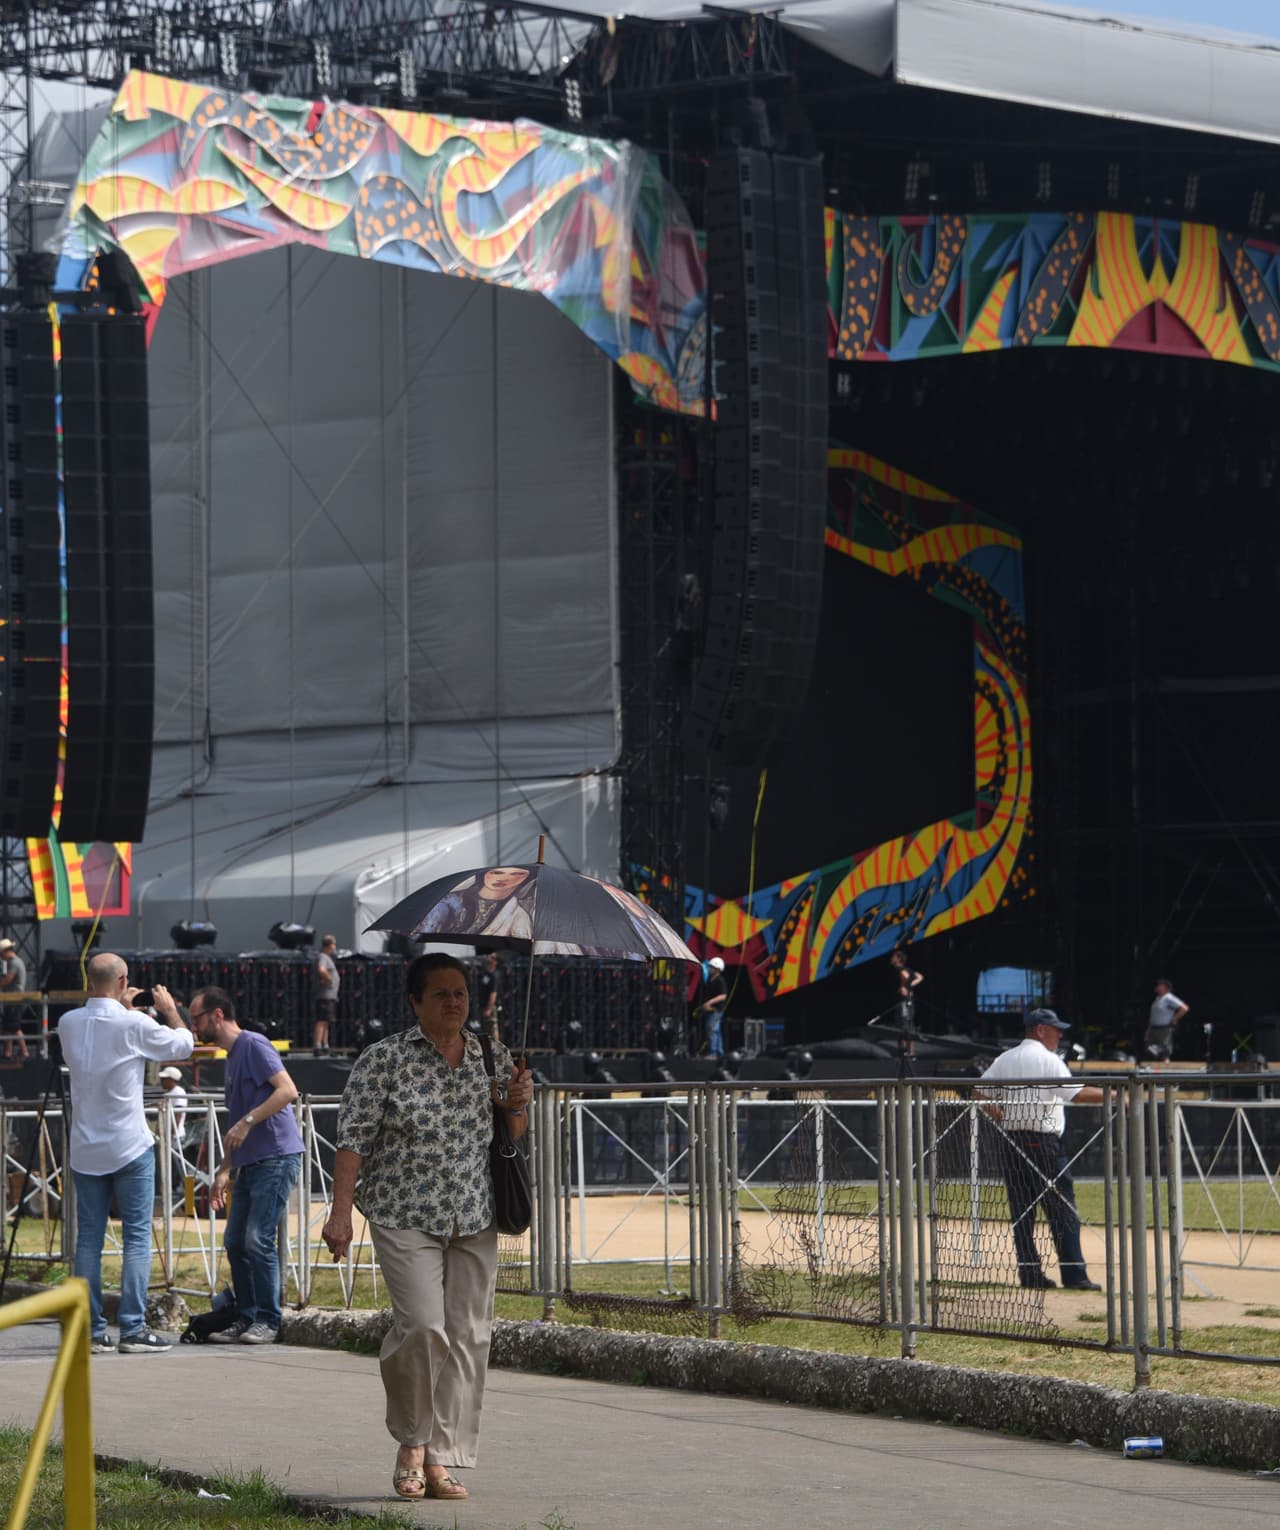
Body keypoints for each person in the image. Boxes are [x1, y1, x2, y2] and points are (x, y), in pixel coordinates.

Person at [321, 952, 534, 1502]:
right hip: (402, 1213)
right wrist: (340, 1213)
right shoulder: (384, 1060)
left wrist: (518, 1102)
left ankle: (442, 1458)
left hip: (474, 1212)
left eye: (460, 992)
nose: (454, 1002)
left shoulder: (491, 1055)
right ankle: (412, 1444)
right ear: (415, 1002)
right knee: (421, 1327)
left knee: (467, 1336)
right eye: (441, 994)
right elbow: (353, 1141)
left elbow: (511, 1130)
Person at [57, 953, 192, 1354]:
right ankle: (132, 1329)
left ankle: (90, 1329)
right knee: (136, 1238)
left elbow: (103, 1038)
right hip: (129, 1144)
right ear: (123, 981)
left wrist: (125, 1008)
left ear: (90, 980)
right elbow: (183, 1045)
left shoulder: (67, 1023)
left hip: (85, 1146)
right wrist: (169, 1011)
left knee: (88, 1241)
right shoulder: (134, 1023)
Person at [191, 987, 304, 1344]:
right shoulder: (231, 1056)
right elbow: (236, 1124)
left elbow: (287, 1091)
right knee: (235, 1240)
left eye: (197, 1018)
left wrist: (248, 1121)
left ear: (218, 1015)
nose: (195, 1026)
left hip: (276, 1156)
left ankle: (268, 1320)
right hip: (252, 1161)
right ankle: (247, 1315)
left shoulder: (253, 1044)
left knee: (257, 1239)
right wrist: (224, 1169)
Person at [978, 1008, 1105, 1291]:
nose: (1060, 1035)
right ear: (1040, 1030)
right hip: (1044, 1143)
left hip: (1012, 1140)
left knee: (1022, 1210)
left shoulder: (1005, 1058)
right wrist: (1113, 1093)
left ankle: (1030, 1273)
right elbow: (1076, 1093)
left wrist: (1003, 1116)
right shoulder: (1048, 1060)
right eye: (1055, 1029)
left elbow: (979, 1092)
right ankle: (1074, 1275)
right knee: (1062, 1209)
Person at [419, 866, 535, 942]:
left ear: (526, 879)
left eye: (516, 874)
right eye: (496, 872)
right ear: (485, 874)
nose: (503, 878)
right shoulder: (450, 902)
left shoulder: (518, 916)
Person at [0, 937, 30, 1060]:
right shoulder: (16, 962)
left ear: (6, 951)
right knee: (9, 1027)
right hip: (12, 1000)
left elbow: (8, 979)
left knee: (15, 1027)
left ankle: (24, 1052)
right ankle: (8, 1052)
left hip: (14, 999)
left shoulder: (14, 963)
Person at [1146, 978, 1189, 1062]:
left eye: (1160, 985)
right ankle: (1154, 1069)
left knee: (1164, 1051)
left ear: (1165, 987)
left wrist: (1174, 1019)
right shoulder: (1157, 998)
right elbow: (1154, 1015)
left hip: (1164, 1029)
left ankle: (1165, 1070)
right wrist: (1148, 1029)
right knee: (1151, 1049)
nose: (1157, 987)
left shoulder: (1169, 998)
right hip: (1153, 1028)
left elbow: (1184, 1008)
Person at [694, 956, 729, 1058]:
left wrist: (710, 1002)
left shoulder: (720, 980)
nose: (710, 969)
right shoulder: (710, 980)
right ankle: (719, 1053)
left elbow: (723, 996)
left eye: (712, 967)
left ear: (717, 969)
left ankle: (714, 1053)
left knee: (711, 1028)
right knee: (715, 1030)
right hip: (711, 1010)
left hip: (717, 1010)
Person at [313, 934, 341, 1055]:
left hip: (330, 996)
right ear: (329, 945)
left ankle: (325, 1045)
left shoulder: (327, 957)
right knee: (321, 1020)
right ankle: (318, 1045)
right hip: (325, 995)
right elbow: (321, 969)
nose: (335, 947)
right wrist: (329, 980)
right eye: (334, 944)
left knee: (326, 1021)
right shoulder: (323, 957)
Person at [889, 949, 923, 1027]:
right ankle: (907, 1036)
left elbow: (905, 976)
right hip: (908, 997)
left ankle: (907, 1037)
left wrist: (904, 987)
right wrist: (910, 985)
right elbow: (920, 977)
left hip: (904, 998)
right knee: (907, 1018)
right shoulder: (908, 969)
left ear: (898, 959)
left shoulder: (900, 969)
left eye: (893, 957)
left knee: (904, 1019)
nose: (891, 958)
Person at [476, 951, 500, 1039]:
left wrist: (489, 1009)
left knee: (492, 1027)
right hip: (482, 1005)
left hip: (489, 1006)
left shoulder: (494, 976)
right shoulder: (484, 973)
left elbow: (493, 994)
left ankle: (496, 1048)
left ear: (496, 962)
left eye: (492, 957)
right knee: (484, 1028)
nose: (489, 958)